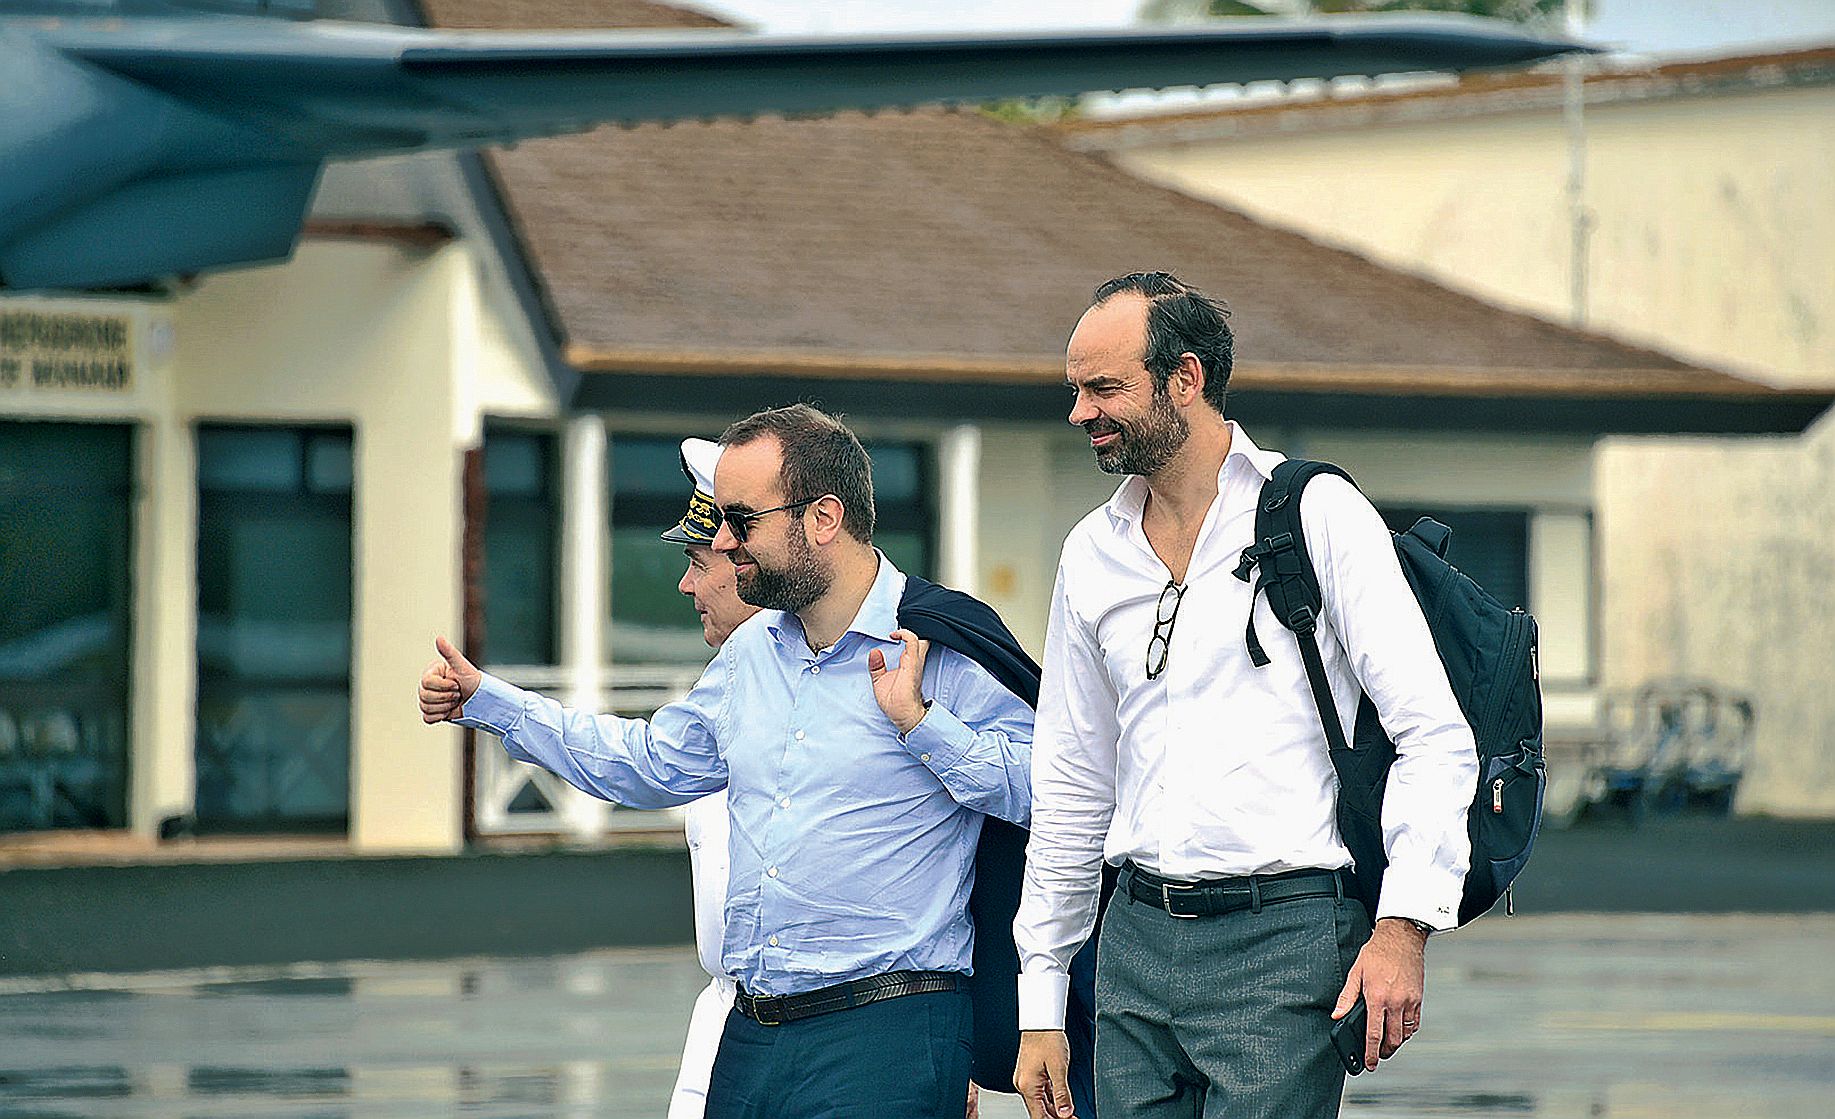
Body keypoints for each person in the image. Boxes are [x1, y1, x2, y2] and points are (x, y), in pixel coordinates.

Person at [420, 404, 1033, 1118]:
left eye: (741, 520)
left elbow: (1051, 793)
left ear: (823, 518)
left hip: (887, 1030)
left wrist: (922, 726)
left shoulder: (938, 646)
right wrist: (491, 701)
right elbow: (650, 763)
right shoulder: (749, 653)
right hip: (751, 1033)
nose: (723, 540)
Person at [1011, 272, 1479, 1119]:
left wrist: (1403, 925)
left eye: (1102, 387)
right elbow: (1072, 781)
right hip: (1134, 943)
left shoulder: (1317, 513)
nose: (1079, 411)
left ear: (1183, 380)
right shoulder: (1090, 553)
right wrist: (1041, 1000)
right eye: (1074, 389)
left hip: (1284, 941)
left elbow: (1432, 733)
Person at [657, 437, 759, 1119]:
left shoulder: (863, 672)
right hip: (723, 1015)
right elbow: (643, 759)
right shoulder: (724, 685)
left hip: (839, 1023)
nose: (687, 584)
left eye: (699, 562)